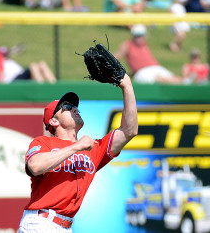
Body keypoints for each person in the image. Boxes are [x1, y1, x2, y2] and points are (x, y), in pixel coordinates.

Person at [18, 73, 138, 232]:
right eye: (67, 107)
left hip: (66, 226)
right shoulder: (44, 142)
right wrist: (76, 147)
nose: (75, 108)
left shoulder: (93, 148)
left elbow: (129, 131)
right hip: (40, 222)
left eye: (75, 106)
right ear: (54, 121)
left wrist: (127, 87)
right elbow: (35, 166)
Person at [114, 24, 183, 84]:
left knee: (174, 78)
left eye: (141, 35)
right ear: (133, 36)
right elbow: (115, 58)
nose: (139, 38)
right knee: (161, 79)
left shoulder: (144, 44)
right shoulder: (127, 45)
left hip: (155, 67)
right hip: (142, 71)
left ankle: (188, 82)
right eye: (137, 35)